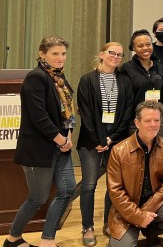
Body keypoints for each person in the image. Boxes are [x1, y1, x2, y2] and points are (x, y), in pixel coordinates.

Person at [5, 36, 76, 247]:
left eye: (63, 53)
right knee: (38, 198)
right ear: (42, 53)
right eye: (55, 53)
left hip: (61, 145)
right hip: (39, 149)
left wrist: (68, 136)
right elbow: (39, 118)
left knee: (68, 189)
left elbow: (67, 112)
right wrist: (62, 140)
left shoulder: (58, 78)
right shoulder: (36, 78)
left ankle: (47, 240)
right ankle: (12, 238)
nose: (60, 58)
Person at [106, 100, 163, 247]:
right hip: (127, 208)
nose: (153, 124)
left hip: (156, 204)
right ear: (137, 123)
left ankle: (149, 230)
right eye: (147, 120)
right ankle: (133, 229)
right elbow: (115, 191)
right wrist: (137, 216)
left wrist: (145, 212)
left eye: (156, 120)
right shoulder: (119, 151)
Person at [76, 42, 134, 246]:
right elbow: (86, 113)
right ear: (101, 54)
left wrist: (111, 138)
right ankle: (87, 227)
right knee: (89, 185)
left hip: (116, 140)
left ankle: (109, 223)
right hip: (91, 140)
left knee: (113, 186)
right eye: (112, 53)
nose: (116, 57)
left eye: (120, 54)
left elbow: (126, 114)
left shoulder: (125, 81)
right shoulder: (87, 80)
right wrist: (99, 140)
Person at [121, 29, 163, 134]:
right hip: (136, 123)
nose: (145, 48)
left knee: (157, 150)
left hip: (157, 121)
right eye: (140, 46)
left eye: (148, 44)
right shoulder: (126, 69)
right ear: (133, 48)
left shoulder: (159, 67)